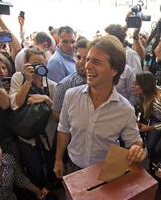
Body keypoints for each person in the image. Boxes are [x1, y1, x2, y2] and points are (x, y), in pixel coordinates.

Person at [54, 35, 146, 177]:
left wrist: (136, 149)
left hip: (104, 171)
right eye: (87, 59)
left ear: (113, 70)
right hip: (73, 167)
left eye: (96, 62)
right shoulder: (71, 96)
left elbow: (134, 142)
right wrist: (58, 159)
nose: (87, 66)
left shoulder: (125, 109)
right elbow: (63, 129)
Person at [9, 46, 57, 191]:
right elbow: (16, 104)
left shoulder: (51, 85)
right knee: (34, 167)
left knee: (51, 164)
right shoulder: (19, 77)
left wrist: (46, 99)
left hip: (47, 134)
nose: (38, 68)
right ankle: (40, 191)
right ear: (26, 64)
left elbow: (58, 113)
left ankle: (52, 188)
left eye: (42, 64)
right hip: (26, 134)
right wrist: (28, 81)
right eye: (35, 64)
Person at [52, 39, 89, 120]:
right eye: (78, 57)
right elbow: (56, 113)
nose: (81, 62)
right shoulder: (64, 86)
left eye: (86, 58)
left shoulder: (100, 83)